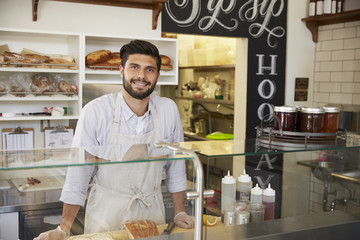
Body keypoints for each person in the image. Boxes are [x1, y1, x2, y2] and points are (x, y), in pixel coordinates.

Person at [34, 40, 193, 239]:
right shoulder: (95, 112)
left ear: (158, 76)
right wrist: (62, 229)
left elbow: (176, 167)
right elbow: (78, 175)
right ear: (121, 70)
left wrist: (179, 212)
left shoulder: (168, 110)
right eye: (134, 67)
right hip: (107, 213)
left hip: (152, 214)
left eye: (149, 69)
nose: (141, 76)